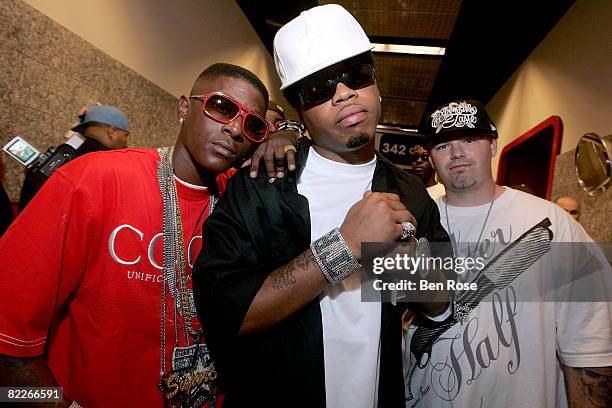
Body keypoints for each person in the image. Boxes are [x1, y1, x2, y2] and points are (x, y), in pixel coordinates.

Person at [193, 5, 451, 407]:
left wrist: (407, 264)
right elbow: (228, 312)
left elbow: (443, 302)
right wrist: (343, 247)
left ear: (375, 83)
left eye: (357, 75)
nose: (344, 93)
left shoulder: (411, 191)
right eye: (319, 89)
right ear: (300, 110)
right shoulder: (265, 184)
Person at [0, 63, 297, 407]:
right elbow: (7, 348)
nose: (234, 129)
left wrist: (288, 132)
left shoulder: (242, 202)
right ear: (185, 107)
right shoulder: (93, 180)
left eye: (252, 125)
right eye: (221, 106)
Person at [404, 99, 612, 407]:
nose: (458, 152)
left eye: (470, 139)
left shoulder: (554, 224)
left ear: (492, 145)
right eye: (443, 145)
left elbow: (589, 348)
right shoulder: (410, 217)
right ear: (431, 158)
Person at [18, 104, 131, 210]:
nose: (126, 142)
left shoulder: (63, 153)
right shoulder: (110, 160)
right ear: (112, 131)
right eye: (125, 135)